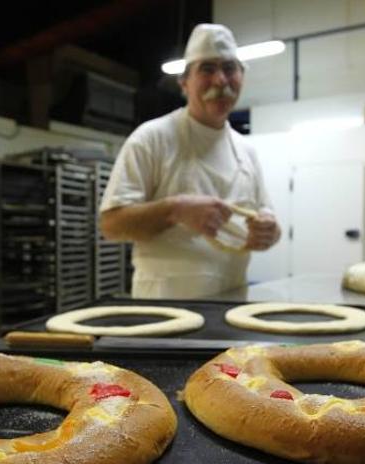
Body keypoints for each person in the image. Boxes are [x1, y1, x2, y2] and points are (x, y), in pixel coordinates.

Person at [99, 23, 281, 298]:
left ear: (242, 76)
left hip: (231, 301)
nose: (221, 81)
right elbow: (111, 225)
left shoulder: (247, 151)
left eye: (230, 68)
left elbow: (267, 219)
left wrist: (270, 232)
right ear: (184, 82)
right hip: (164, 309)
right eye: (207, 69)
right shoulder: (152, 138)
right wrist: (175, 209)